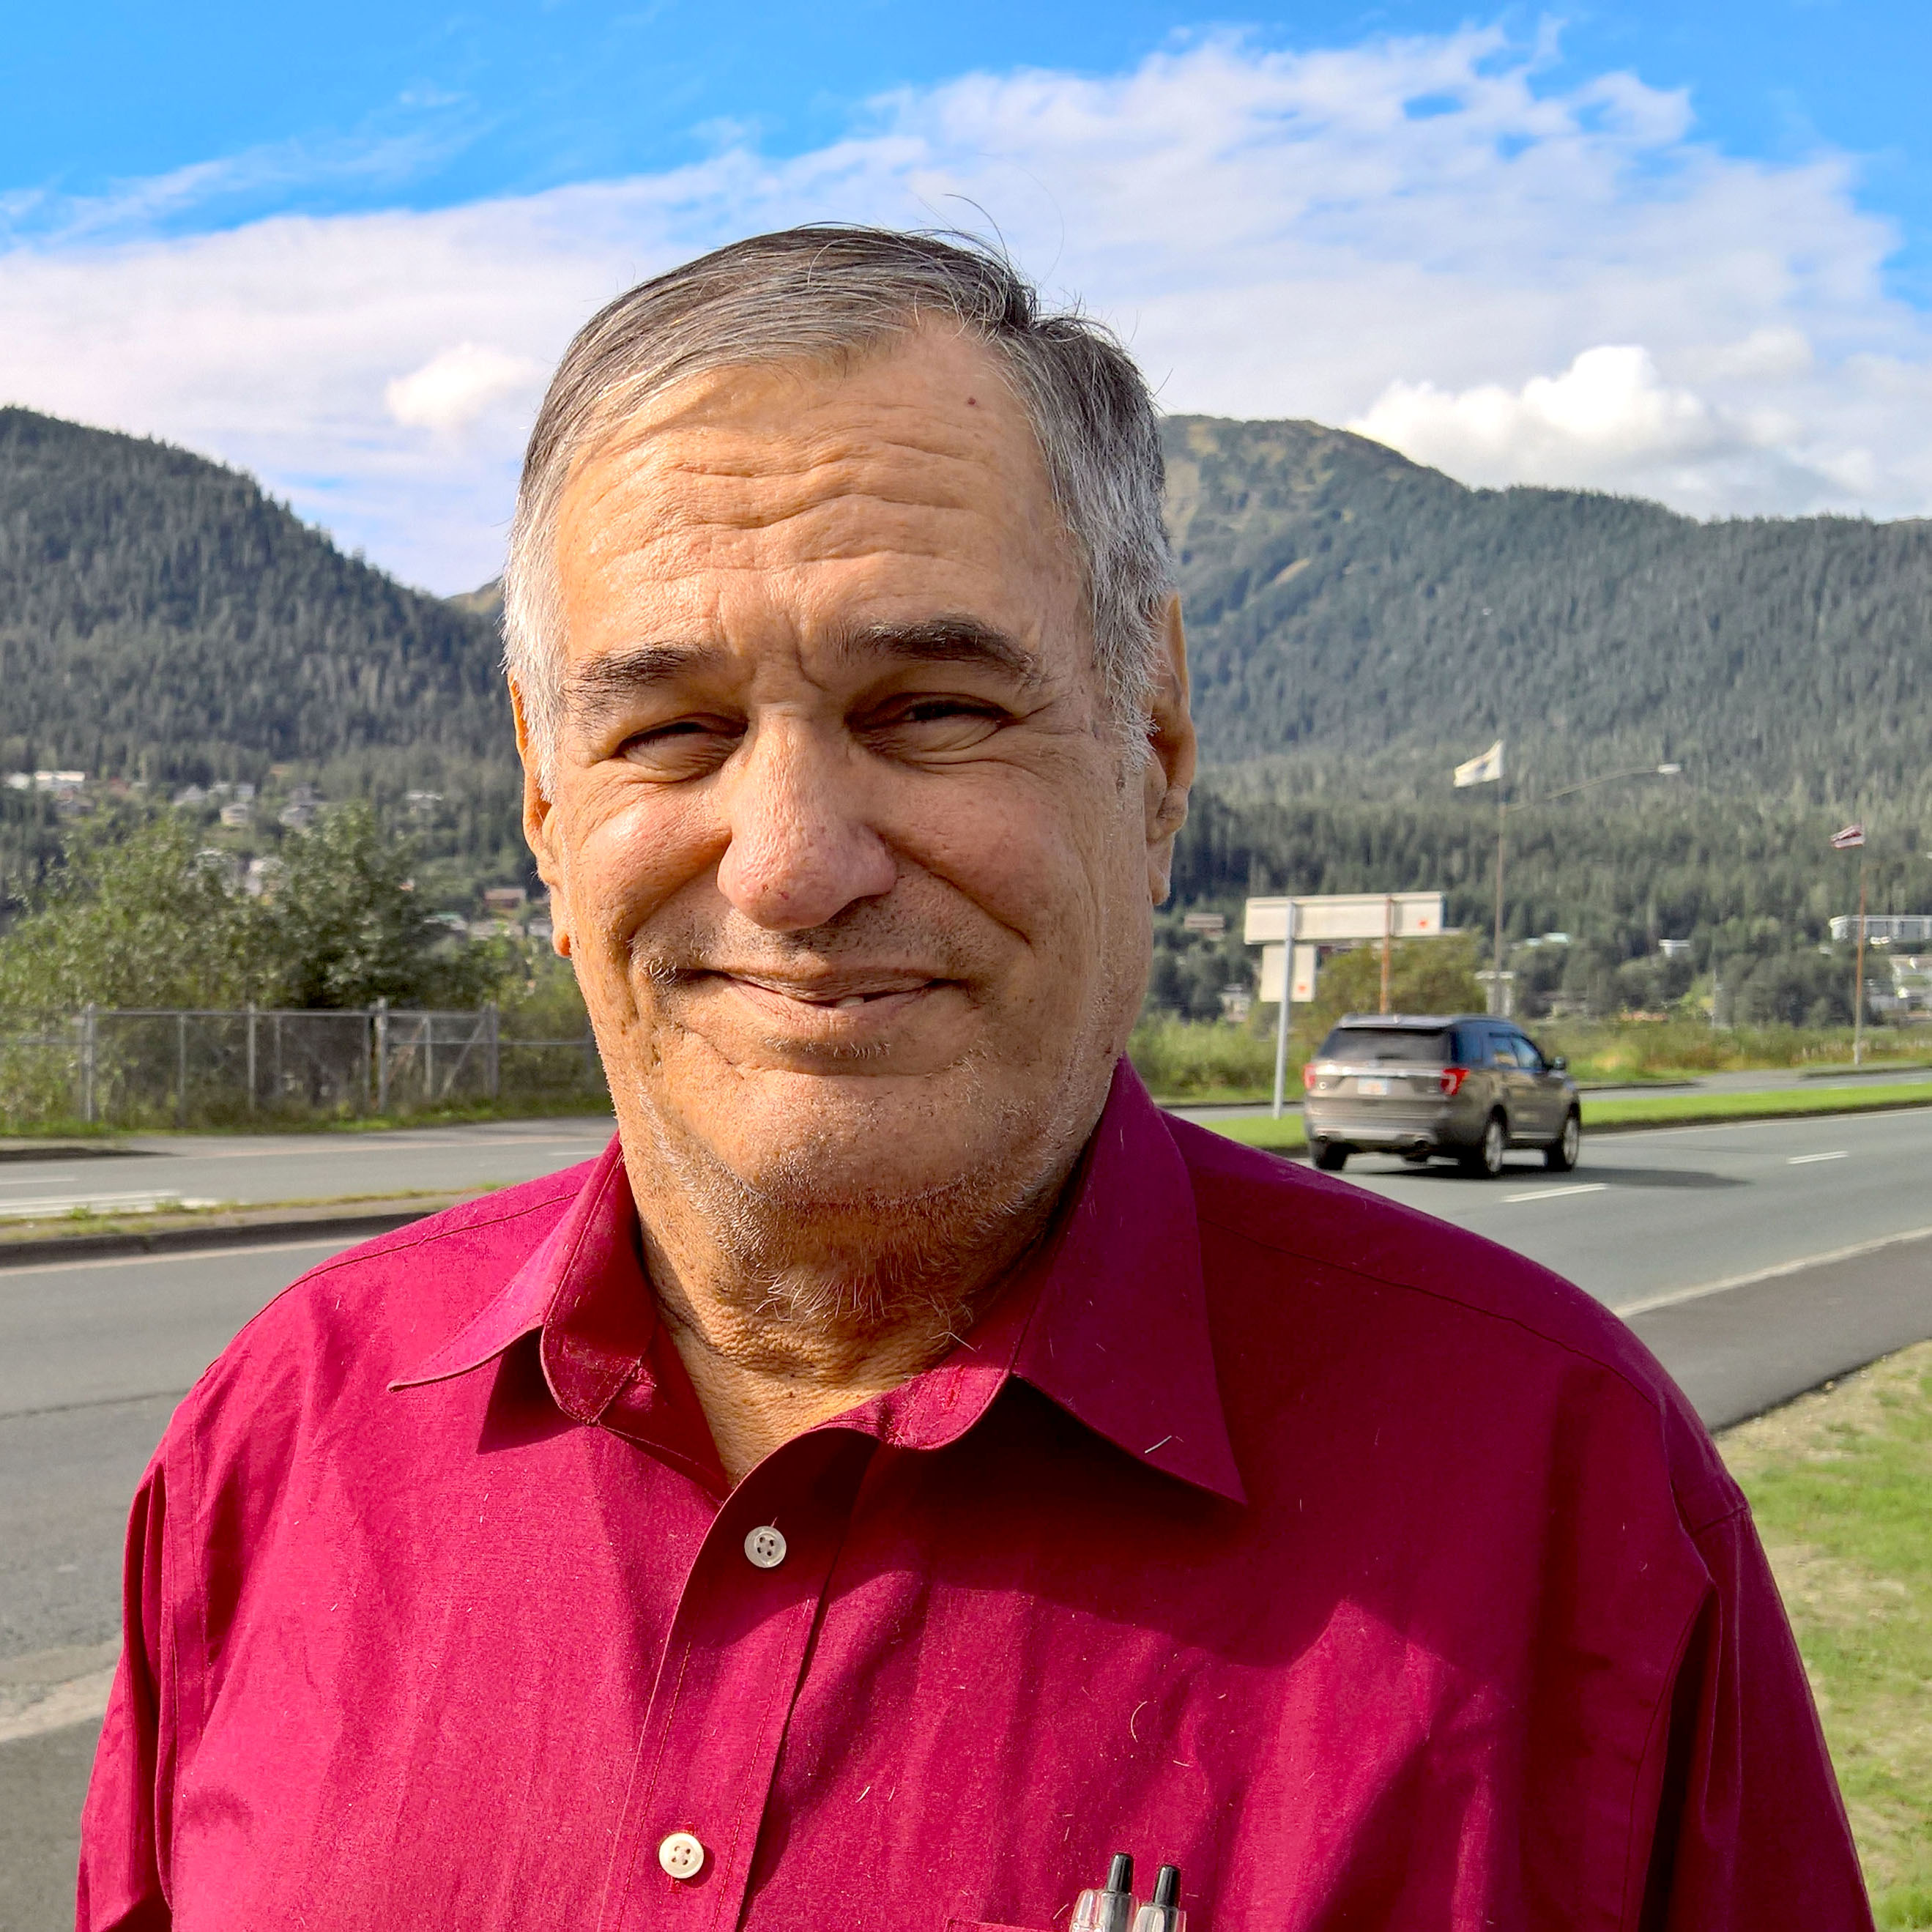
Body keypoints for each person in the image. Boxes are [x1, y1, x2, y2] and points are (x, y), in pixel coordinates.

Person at [78, 227, 1871, 1931]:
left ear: (1153, 748)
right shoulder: (280, 1447)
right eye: (671, 729)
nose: (789, 862)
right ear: (547, 808)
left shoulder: (1565, 1509)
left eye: (931, 709)